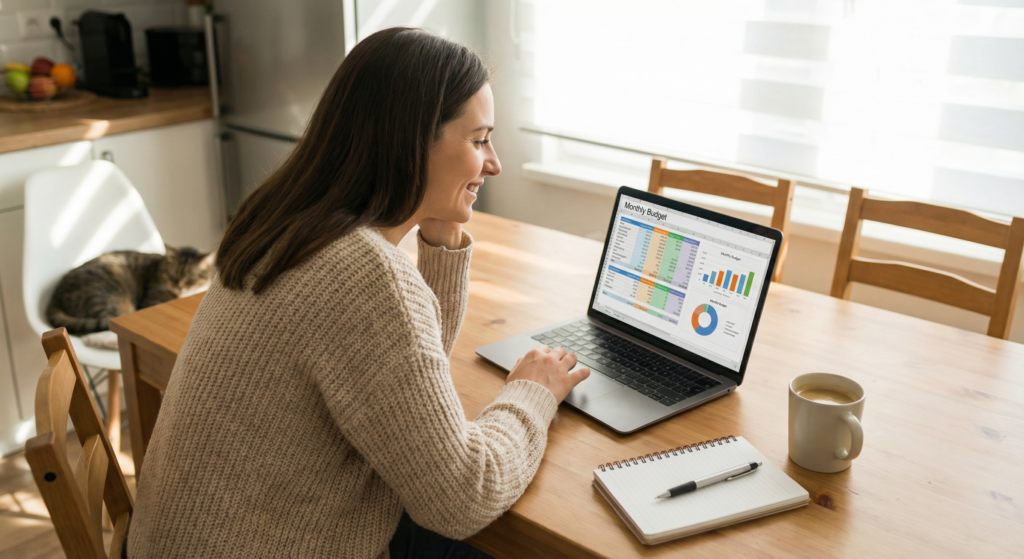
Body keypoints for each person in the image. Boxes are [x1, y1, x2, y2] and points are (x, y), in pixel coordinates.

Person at [127, 27, 591, 558]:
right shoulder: (365, 276)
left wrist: (438, 238)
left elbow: (400, 387)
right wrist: (533, 392)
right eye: (479, 139)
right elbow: (463, 498)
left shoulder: (285, 219)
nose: (494, 162)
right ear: (412, 141)